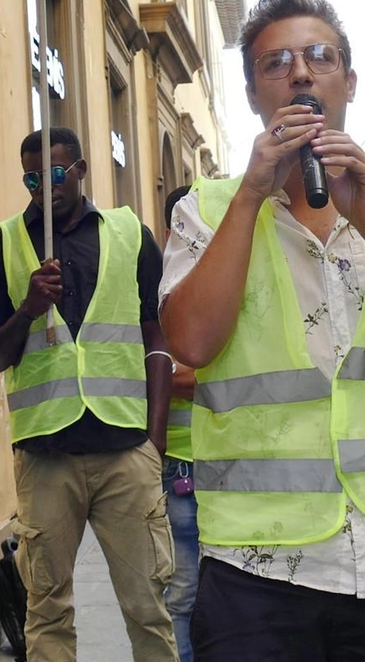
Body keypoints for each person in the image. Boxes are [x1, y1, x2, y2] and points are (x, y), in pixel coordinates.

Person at [162, 0, 365, 661]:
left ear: (350, 79)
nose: (302, 72)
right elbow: (189, 340)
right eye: (276, 62)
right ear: (254, 93)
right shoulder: (208, 209)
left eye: (320, 56)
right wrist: (253, 194)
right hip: (261, 567)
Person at [0, 126, 176, 662]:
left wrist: (155, 440)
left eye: (57, 174)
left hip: (125, 451)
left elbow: (157, 336)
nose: (45, 186)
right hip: (46, 457)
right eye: (33, 177)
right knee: (48, 611)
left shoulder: (130, 233)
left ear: (81, 170)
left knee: (149, 606)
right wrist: (28, 309)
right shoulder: (5, 244)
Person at [162, 185, 199, 662]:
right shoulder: (161, 289)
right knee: (185, 591)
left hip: (241, 466)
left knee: (242, 593)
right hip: (182, 466)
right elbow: (171, 378)